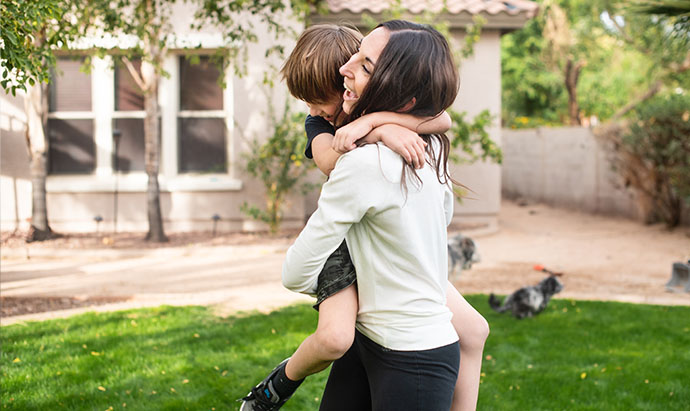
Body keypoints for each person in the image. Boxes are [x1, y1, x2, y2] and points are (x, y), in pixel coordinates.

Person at [240, 22, 488, 411]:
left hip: (371, 233)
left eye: (318, 99)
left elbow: (442, 119)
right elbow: (329, 159)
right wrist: (378, 132)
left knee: (474, 329)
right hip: (343, 238)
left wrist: (375, 122)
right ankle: (279, 384)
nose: (311, 110)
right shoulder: (322, 125)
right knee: (335, 337)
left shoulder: (382, 117)